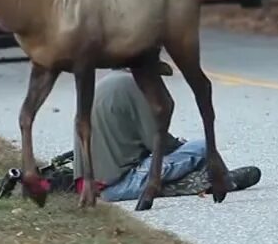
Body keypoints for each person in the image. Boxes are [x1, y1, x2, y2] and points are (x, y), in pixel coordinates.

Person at [41, 66, 261, 201]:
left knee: (178, 159)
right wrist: (178, 143)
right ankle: (225, 181)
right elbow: (158, 143)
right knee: (203, 146)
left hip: (90, 183)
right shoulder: (134, 86)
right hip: (118, 183)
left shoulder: (108, 84)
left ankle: (196, 183)